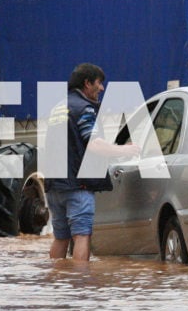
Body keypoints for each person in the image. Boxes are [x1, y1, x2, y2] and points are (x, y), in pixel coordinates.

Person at [46, 63, 138, 261]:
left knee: (61, 238)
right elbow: (93, 144)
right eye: (99, 83)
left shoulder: (58, 107)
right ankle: (81, 284)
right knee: (81, 235)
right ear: (87, 84)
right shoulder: (84, 109)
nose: (102, 88)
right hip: (78, 185)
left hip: (54, 186)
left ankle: (56, 284)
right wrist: (125, 150)